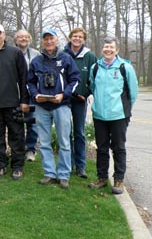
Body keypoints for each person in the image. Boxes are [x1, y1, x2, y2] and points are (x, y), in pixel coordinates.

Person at [27, 29, 81, 189]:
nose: (49, 42)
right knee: (44, 142)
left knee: (64, 142)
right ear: (42, 42)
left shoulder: (66, 59)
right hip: (41, 106)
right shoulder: (36, 61)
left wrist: (64, 95)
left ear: (56, 40)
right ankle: (49, 173)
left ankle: (64, 175)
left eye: (51, 38)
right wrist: (35, 95)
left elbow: (75, 80)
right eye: (46, 39)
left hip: (61, 106)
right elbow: (29, 82)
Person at [88, 37, 138, 194]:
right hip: (99, 116)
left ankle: (118, 180)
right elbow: (93, 86)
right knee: (101, 148)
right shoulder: (95, 67)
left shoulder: (125, 67)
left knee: (118, 148)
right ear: (102, 50)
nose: (108, 49)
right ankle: (102, 178)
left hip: (118, 116)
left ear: (116, 50)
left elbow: (133, 92)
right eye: (105, 47)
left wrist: (126, 112)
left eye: (111, 47)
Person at [0, 23, 30, 180]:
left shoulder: (15, 53)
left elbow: (24, 78)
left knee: (16, 136)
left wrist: (24, 100)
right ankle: (1, 165)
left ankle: (17, 166)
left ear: (4, 35)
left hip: (13, 103)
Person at [63, 27, 97, 178]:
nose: (77, 39)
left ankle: (80, 166)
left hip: (80, 101)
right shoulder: (62, 54)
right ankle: (68, 164)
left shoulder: (89, 56)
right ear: (70, 38)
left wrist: (87, 93)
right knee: (65, 133)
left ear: (84, 40)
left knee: (79, 133)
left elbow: (94, 79)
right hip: (64, 100)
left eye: (80, 37)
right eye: (74, 36)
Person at [14, 29, 41, 162]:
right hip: (15, 93)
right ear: (16, 40)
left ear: (29, 39)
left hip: (31, 94)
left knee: (32, 122)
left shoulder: (36, 54)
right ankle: (17, 149)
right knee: (15, 122)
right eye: (20, 37)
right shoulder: (11, 53)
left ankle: (30, 149)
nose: (23, 39)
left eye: (25, 37)